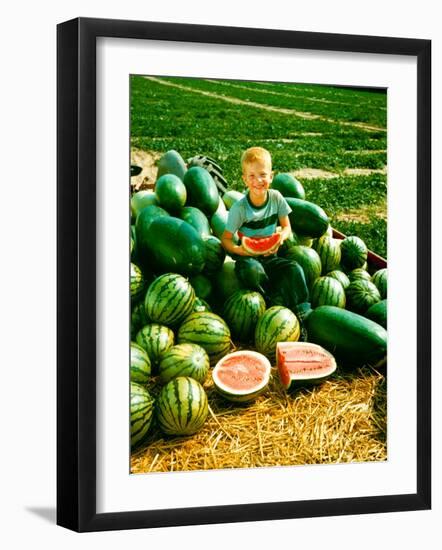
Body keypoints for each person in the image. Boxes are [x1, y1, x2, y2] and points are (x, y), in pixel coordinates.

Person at [220, 146, 311, 337]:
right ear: (245, 179)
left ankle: (304, 313)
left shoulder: (276, 198)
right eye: (252, 176)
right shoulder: (239, 208)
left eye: (263, 175)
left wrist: (279, 239)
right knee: (253, 271)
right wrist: (241, 251)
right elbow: (226, 240)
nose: (258, 181)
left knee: (294, 269)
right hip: (249, 260)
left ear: (271, 176)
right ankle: (270, 302)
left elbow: (286, 227)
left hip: (271, 257)